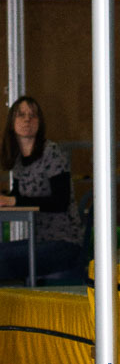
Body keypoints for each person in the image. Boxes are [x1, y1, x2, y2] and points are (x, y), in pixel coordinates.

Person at [0, 97, 83, 281]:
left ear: (40, 122)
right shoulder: (18, 160)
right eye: (21, 115)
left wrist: (13, 200)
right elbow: (19, 194)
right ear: (12, 122)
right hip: (39, 241)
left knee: (3, 259)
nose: (27, 119)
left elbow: (60, 201)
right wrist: (7, 198)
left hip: (64, 242)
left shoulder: (52, 152)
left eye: (33, 115)